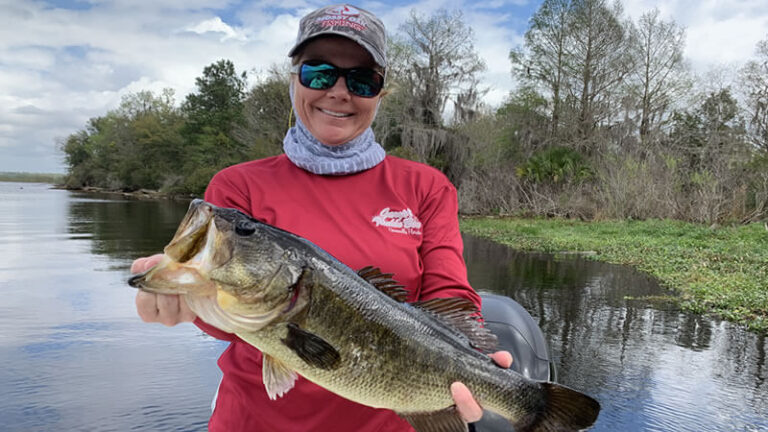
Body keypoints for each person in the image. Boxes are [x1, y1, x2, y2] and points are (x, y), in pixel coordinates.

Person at [132, 4, 511, 431]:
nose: (339, 91)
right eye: (319, 73)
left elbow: (450, 296)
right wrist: (186, 306)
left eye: (362, 79)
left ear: (380, 93)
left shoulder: (427, 187)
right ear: (294, 79)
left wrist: (480, 365)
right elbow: (236, 323)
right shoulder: (237, 189)